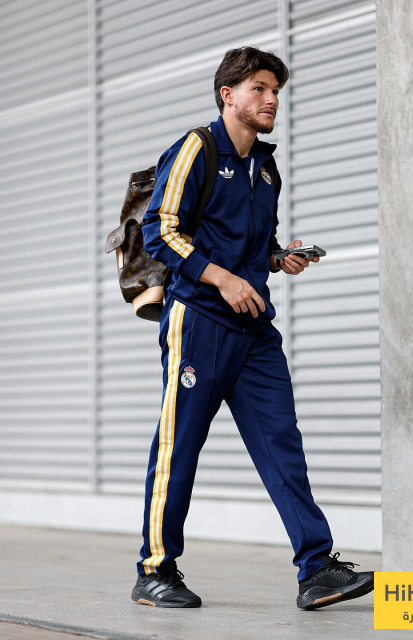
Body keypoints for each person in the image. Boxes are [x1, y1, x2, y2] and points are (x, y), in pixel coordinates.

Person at [131, 46, 374, 610]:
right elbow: (160, 231)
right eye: (259, 89)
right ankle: (154, 570)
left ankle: (316, 569)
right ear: (228, 95)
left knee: (282, 443)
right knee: (179, 446)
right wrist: (222, 278)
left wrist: (278, 258)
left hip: (254, 328)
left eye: (276, 91)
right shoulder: (197, 147)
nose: (271, 100)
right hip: (199, 321)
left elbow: (253, 245)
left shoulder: (265, 167)